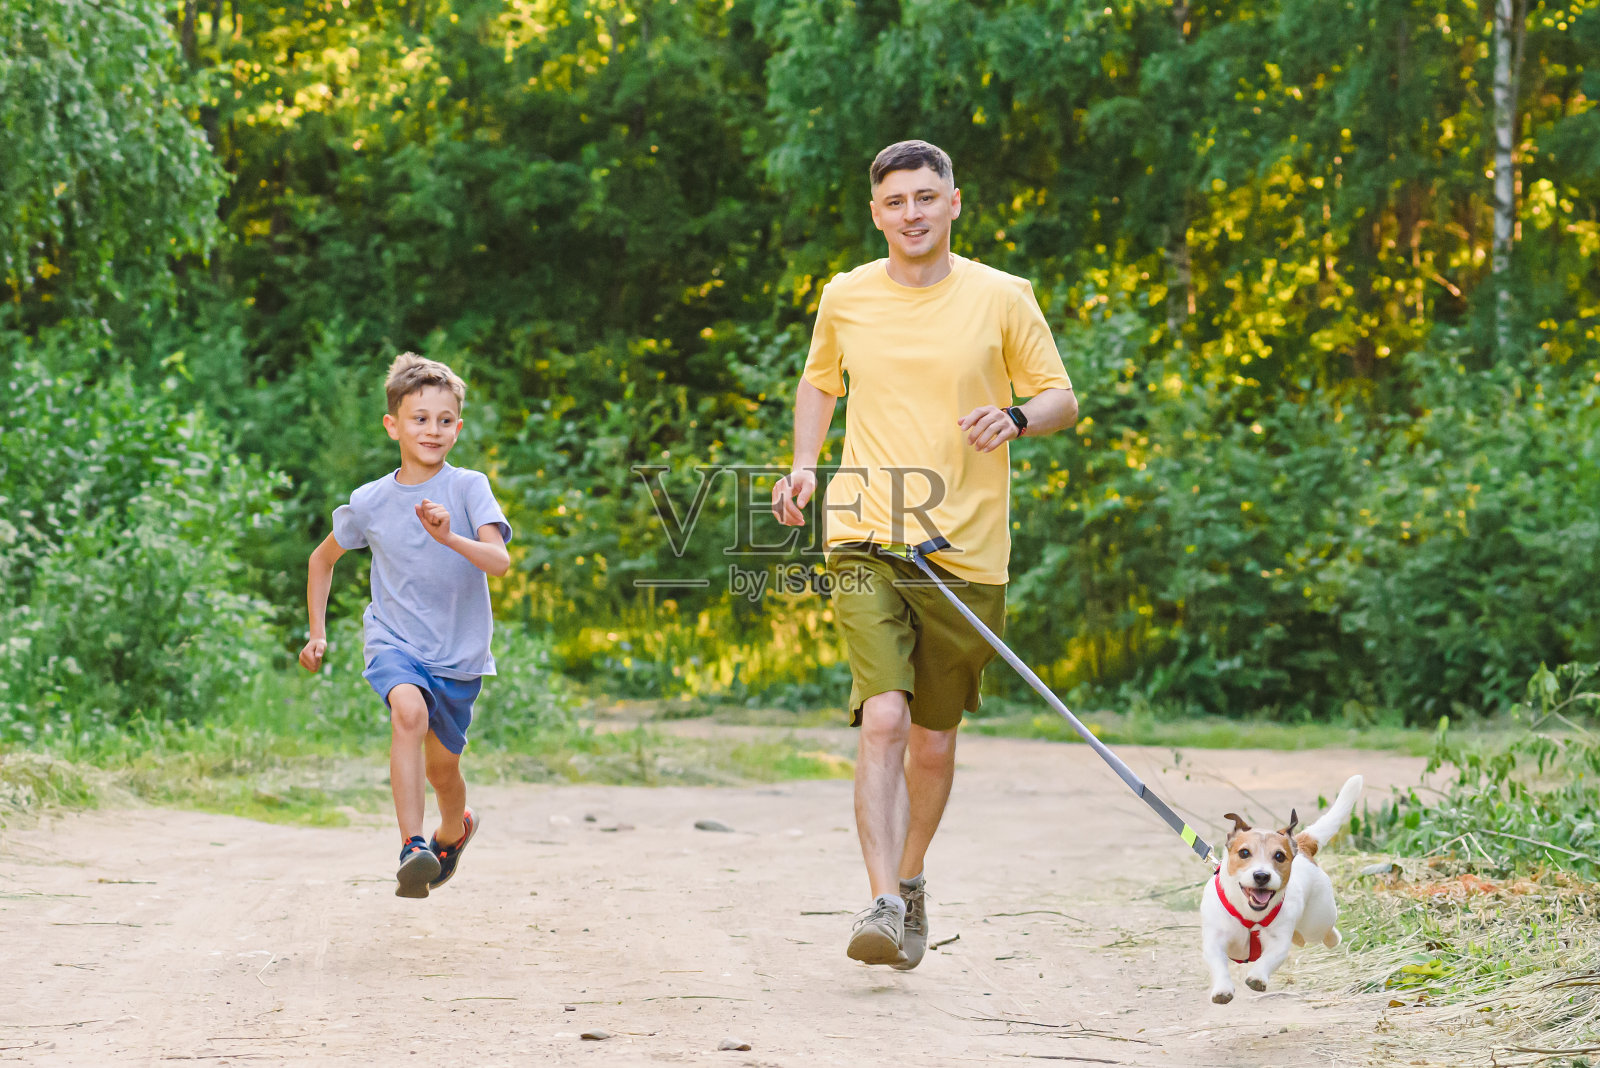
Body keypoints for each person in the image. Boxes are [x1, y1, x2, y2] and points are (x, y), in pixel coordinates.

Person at [771, 140, 1079, 968]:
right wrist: (805, 463)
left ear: (953, 203)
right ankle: (876, 899)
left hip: (966, 551)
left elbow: (1061, 397)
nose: (911, 212)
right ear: (876, 214)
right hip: (865, 531)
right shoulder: (846, 295)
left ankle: (908, 883)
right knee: (885, 718)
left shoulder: (1002, 297)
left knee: (935, 741)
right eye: (895, 201)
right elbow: (820, 381)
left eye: (925, 197)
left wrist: (1016, 418)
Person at [298, 353, 512, 899]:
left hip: (459, 654)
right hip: (395, 640)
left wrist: (448, 539)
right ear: (393, 424)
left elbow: (499, 562)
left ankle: (452, 829)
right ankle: (412, 846)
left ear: (458, 428)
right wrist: (316, 630)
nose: (432, 430)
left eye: (444, 420)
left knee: (445, 771)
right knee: (407, 711)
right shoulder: (370, 501)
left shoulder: (468, 488)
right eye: (419, 418)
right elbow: (321, 561)